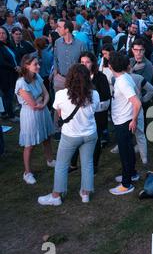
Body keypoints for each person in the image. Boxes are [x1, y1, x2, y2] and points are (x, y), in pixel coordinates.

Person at [37, 64, 100, 206]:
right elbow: (94, 110)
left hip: (70, 135)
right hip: (90, 134)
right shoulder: (94, 94)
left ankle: (56, 196)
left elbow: (59, 113)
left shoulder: (61, 95)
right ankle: (85, 194)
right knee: (87, 163)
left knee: (61, 165)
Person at [15, 55, 55, 185]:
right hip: (30, 115)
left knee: (47, 137)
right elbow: (32, 104)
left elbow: (47, 94)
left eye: (38, 64)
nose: (38, 66)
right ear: (26, 66)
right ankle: (27, 172)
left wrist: (43, 103)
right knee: (30, 144)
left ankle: (50, 160)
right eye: (35, 64)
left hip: (42, 110)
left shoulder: (37, 77)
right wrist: (42, 102)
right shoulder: (21, 83)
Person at [69, 52, 111, 175]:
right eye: (82, 62)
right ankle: (73, 163)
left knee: (95, 140)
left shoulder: (101, 77)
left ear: (93, 63)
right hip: (79, 115)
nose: (84, 64)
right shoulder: (76, 77)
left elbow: (106, 98)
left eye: (87, 62)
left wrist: (92, 108)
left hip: (97, 114)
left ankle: (94, 164)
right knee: (76, 138)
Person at [108, 52, 142, 196]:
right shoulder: (126, 77)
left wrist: (133, 120)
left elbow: (137, 102)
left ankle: (126, 184)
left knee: (125, 152)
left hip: (124, 121)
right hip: (123, 119)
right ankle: (132, 173)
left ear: (110, 67)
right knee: (128, 149)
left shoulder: (122, 81)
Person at [0, 26, 20, 122]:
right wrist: (14, 67)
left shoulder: (8, 44)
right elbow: (2, 62)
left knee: (10, 94)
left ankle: (9, 111)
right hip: (4, 75)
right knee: (7, 94)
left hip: (12, 74)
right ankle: (10, 115)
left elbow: (15, 57)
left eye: (3, 33)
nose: (1, 35)